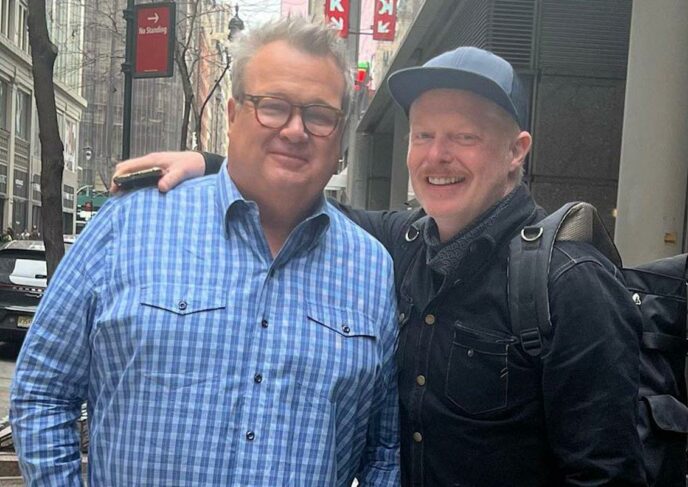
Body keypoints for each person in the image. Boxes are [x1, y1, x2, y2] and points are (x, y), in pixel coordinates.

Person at [115, 47, 646, 485]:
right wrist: (212, 164)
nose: (438, 156)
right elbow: (311, 201)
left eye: (465, 137)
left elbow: (606, 475)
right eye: (423, 135)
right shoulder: (405, 242)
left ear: (515, 151)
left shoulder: (569, 282)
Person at [10, 17, 400, 486]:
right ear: (233, 115)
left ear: (339, 135)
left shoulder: (371, 269)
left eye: (319, 114)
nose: (296, 130)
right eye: (272, 106)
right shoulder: (131, 224)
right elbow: (42, 391)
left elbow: (384, 451)